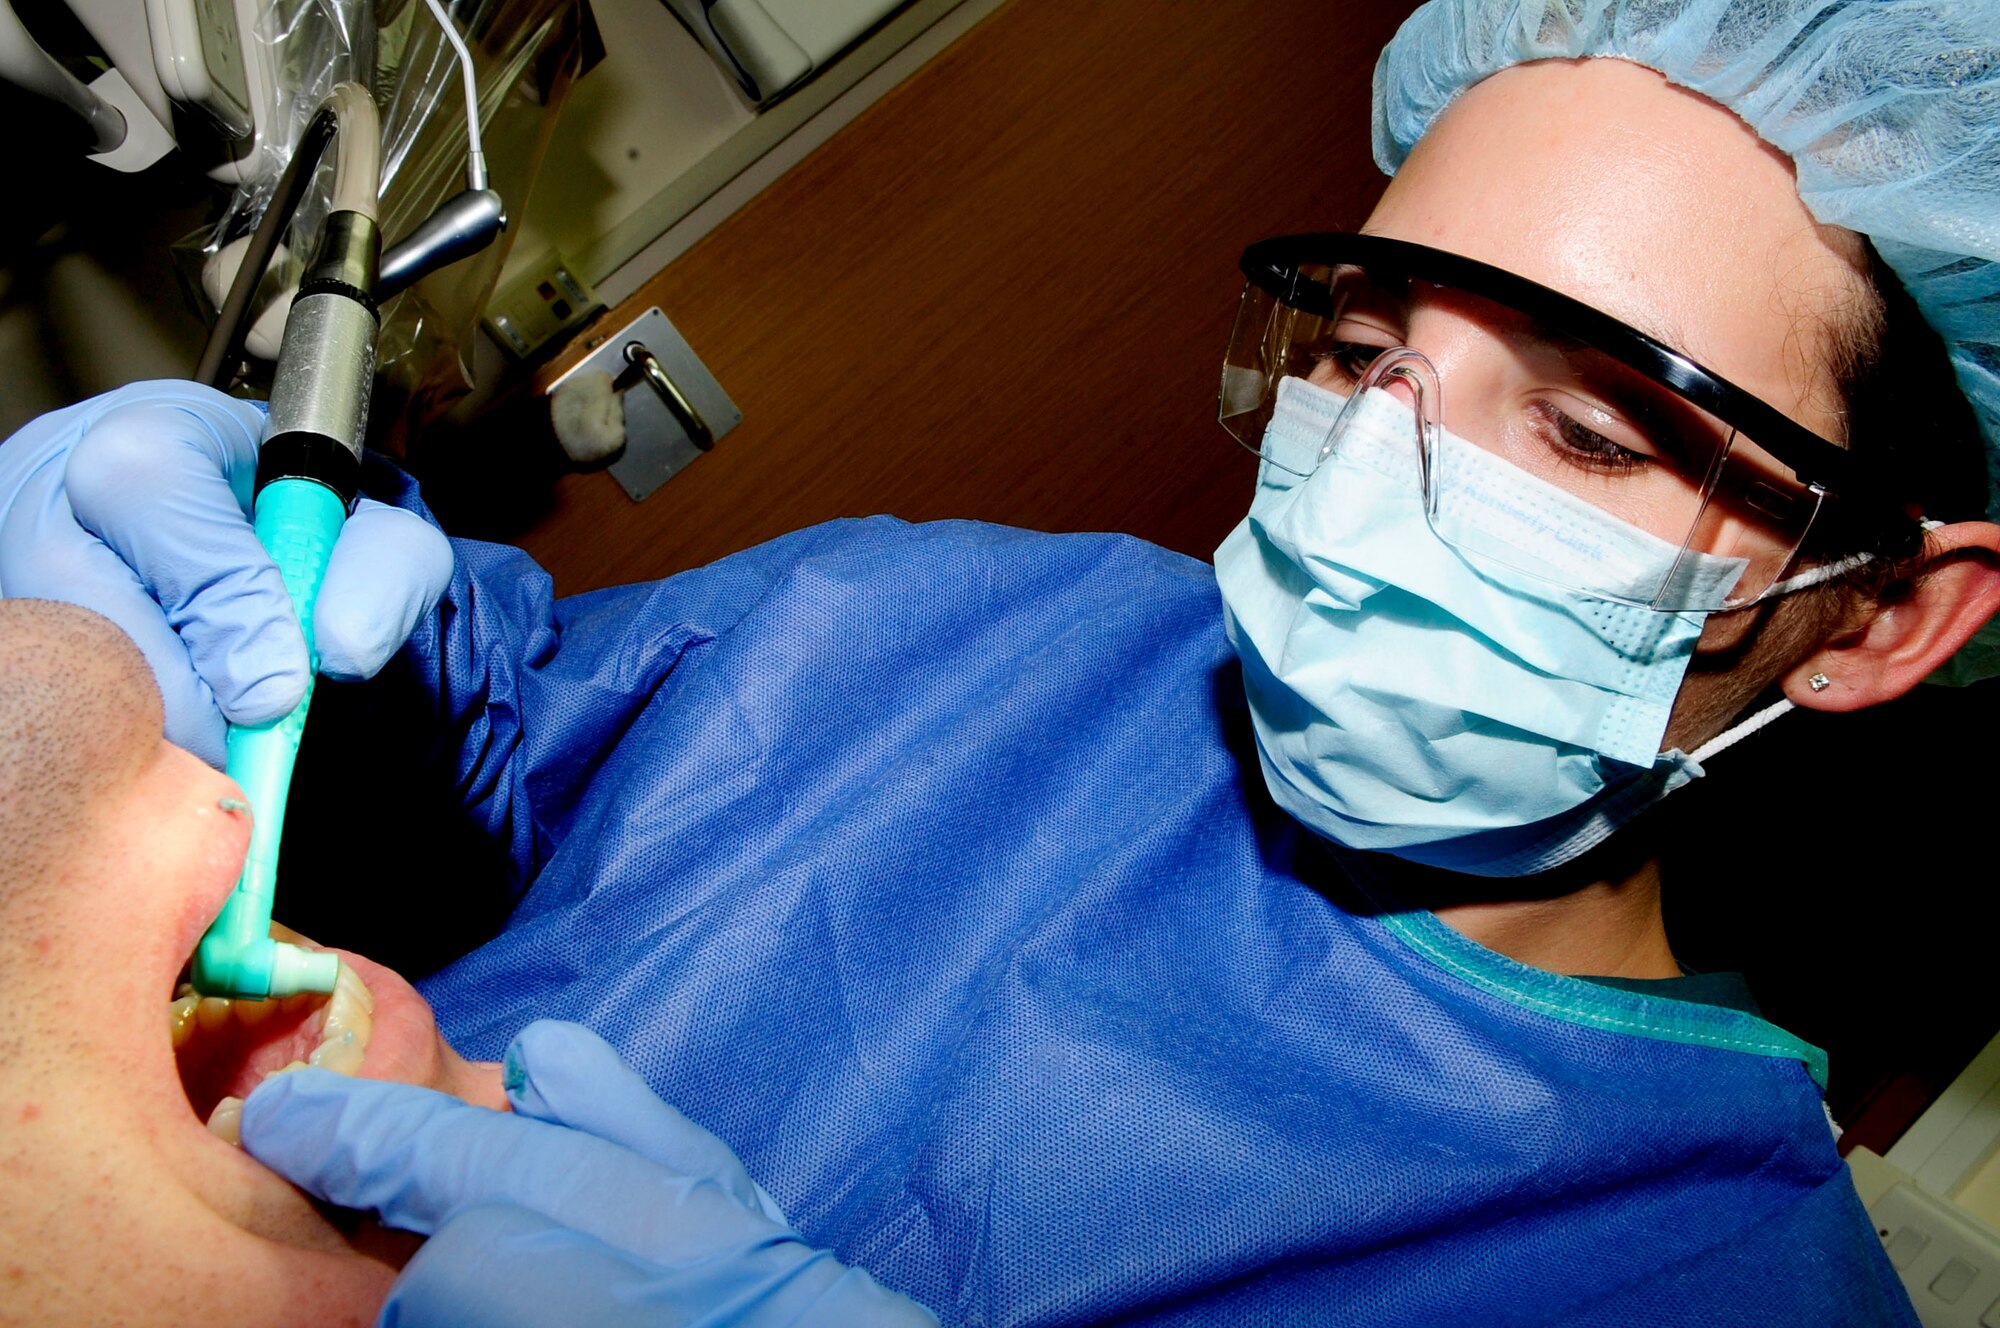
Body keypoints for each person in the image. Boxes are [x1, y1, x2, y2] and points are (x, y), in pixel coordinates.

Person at [2, 0, 1995, 1321]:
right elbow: (516, 734)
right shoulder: (970, 625)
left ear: (1881, 613)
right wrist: (315, 629)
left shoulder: (1712, 1275)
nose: (1376, 481)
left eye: (1592, 436)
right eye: (1362, 350)